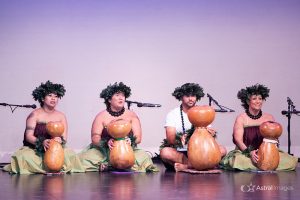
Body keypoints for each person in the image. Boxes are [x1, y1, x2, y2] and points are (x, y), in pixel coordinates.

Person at [3, 80, 85, 174]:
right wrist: (42, 142)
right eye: (50, 95)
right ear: (42, 98)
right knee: (23, 157)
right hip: (34, 149)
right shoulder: (34, 115)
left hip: (55, 149)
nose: (53, 98)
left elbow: (64, 137)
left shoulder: (61, 116)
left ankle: (54, 166)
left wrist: (60, 140)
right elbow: (28, 136)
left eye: (56, 96)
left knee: (70, 155)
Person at [79, 82, 158, 172]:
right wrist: (106, 142)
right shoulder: (101, 116)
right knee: (84, 159)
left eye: (123, 95)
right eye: (117, 95)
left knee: (144, 157)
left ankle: (109, 167)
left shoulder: (132, 115)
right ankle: (112, 165)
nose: (121, 98)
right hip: (104, 151)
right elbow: (95, 137)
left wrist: (131, 141)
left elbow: (138, 138)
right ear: (109, 99)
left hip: (127, 150)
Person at [220, 84, 298, 171]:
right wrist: (250, 153)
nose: (258, 101)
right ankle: (262, 165)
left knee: (290, 161)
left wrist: (270, 154)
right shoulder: (241, 118)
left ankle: (265, 164)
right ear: (248, 101)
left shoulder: (269, 117)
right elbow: (238, 141)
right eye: (254, 99)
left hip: (267, 153)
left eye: (260, 99)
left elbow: (274, 139)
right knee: (238, 161)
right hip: (245, 153)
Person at [160, 83, 227, 171]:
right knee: (165, 152)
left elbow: (207, 135)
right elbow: (170, 138)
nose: (191, 99)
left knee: (222, 150)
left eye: (193, 96)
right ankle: (199, 166)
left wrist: (211, 134)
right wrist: (180, 138)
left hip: (200, 150)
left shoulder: (202, 112)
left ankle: (187, 167)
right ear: (181, 97)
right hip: (181, 151)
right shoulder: (173, 114)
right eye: (187, 96)